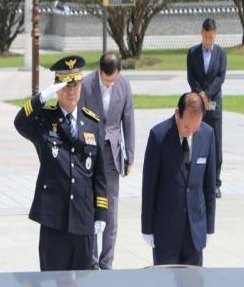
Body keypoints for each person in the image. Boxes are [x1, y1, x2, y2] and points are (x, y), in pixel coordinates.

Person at [14, 55, 108, 271]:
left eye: (75, 85)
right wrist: (41, 98)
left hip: (83, 217)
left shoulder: (92, 123)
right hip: (54, 217)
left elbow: (100, 175)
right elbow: (19, 122)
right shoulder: (44, 120)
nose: (71, 91)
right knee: (51, 278)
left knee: (83, 279)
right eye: (65, 86)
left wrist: (101, 212)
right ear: (57, 88)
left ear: (81, 85)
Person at [141, 93, 216, 266]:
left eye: (195, 128)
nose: (190, 132)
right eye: (186, 127)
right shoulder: (158, 135)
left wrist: (209, 226)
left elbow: (209, 185)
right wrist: (147, 228)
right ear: (177, 113)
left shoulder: (207, 134)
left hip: (195, 231)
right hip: (165, 231)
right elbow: (149, 186)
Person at [79, 52, 135, 269]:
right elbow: (79, 118)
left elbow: (128, 119)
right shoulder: (86, 84)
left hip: (112, 154)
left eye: (113, 80)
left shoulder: (124, 85)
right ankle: (92, 261)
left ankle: (107, 262)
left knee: (111, 209)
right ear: (100, 71)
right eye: (106, 80)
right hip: (90, 151)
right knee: (93, 206)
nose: (110, 84)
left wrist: (130, 154)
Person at [187, 18, 227, 198]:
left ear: (215, 34)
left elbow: (220, 77)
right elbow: (191, 77)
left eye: (211, 38)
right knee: (198, 141)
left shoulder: (221, 54)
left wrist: (208, 94)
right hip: (197, 104)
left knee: (216, 142)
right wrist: (201, 94)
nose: (209, 41)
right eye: (206, 37)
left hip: (214, 104)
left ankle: (215, 182)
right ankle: (198, 181)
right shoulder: (193, 53)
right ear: (201, 33)